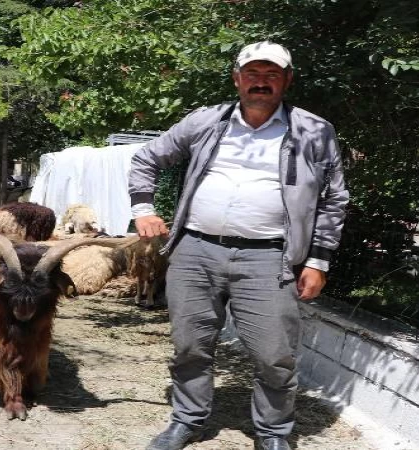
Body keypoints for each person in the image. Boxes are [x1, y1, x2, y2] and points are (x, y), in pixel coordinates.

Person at [129, 41, 348, 450]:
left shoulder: (314, 131)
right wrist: (143, 208)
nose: (260, 83)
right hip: (195, 250)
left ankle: (272, 433)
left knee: (273, 354)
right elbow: (148, 159)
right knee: (190, 345)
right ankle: (187, 420)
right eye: (252, 74)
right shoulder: (206, 121)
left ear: (287, 80)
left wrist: (318, 260)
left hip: (270, 257)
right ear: (237, 78)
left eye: (271, 75)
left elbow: (334, 199)